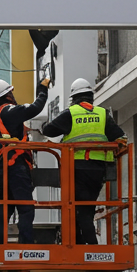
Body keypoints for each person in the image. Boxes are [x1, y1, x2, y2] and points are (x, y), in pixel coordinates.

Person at [42, 78, 128, 245]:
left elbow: (49, 130)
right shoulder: (102, 114)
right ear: (90, 97)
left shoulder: (71, 113)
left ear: (74, 98)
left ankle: (90, 247)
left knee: (79, 210)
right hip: (98, 170)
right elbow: (120, 137)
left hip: (77, 168)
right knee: (85, 208)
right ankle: (81, 244)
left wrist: (47, 123)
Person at [0, 75, 51, 244]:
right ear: (8, 95)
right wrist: (43, 89)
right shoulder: (9, 111)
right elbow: (35, 108)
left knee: (5, 205)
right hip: (14, 167)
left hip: (3, 168)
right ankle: (26, 244)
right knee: (25, 208)